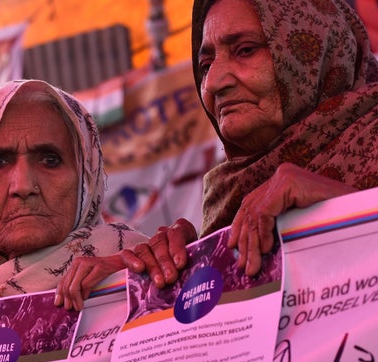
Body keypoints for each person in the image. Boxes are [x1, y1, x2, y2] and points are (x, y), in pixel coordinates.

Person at [122, 0, 378, 284]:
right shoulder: (229, 194)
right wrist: (172, 270)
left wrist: (343, 206)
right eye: (206, 65)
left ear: (315, 46)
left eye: (245, 50)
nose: (214, 83)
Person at [0, 79, 148, 335]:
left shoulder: (144, 263)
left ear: (86, 178)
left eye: (50, 160)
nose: (22, 186)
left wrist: (136, 281)